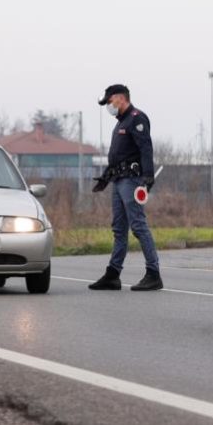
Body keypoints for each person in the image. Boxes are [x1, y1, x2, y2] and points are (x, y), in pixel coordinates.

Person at [88, 84, 163, 292]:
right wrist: (105, 178)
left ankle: (153, 273)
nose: (108, 106)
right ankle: (113, 275)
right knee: (119, 229)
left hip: (132, 181)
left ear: (120, 98)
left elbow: (145, 147)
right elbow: (119, 156)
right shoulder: (122, 122)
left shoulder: (137, 118)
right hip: (119, 180)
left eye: (109, 101)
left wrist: (148, 176)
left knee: (138, 226)